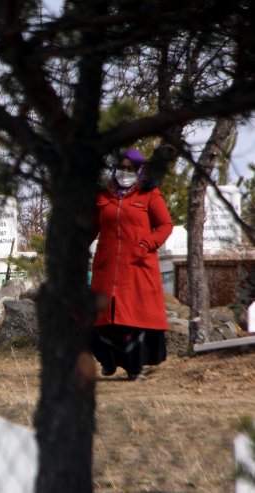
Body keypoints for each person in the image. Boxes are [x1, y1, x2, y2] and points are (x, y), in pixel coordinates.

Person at [90, 149, 173, 380]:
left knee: (133, 320)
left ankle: (134, 368)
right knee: (101, 319)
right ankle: (109, 361)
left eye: (130, 168)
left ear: (139, 171)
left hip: (137, 267)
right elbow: (90, 228)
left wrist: (147, 243)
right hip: (107, 268)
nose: (124, 172)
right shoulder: (103, 196)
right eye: (121, 167)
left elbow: (165, 225)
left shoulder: (149, 194)